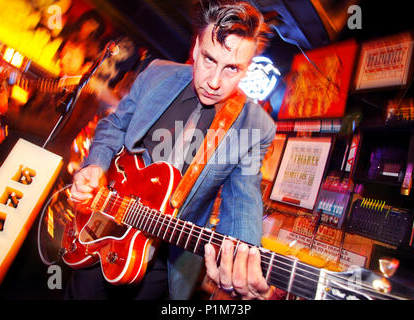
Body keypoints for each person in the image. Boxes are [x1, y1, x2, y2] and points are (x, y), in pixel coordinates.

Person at [68, 0, 275, 300]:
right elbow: (115, 126)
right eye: (208, 59)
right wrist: (95, 165)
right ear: (195, 48)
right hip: (105, 220)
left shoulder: (255, 126)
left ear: (246, 70)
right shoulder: (157, 73)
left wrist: (243, 254)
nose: (215, 81)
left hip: (163, 256)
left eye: (232, 68)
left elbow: (243, 198)